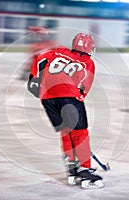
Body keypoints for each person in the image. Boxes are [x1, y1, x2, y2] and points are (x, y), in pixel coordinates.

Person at [27, 33, 104, 189]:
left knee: (66, 131)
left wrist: (33, 80)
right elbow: (84, 87)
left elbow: (39, 59)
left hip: (47, 97)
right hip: (68, 97)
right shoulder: (88, 62)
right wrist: (77, 96)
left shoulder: (59, 51)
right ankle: (84, 171)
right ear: (89, 47)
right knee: (80, 133)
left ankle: (72, 170)